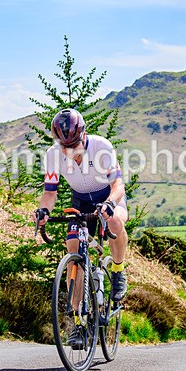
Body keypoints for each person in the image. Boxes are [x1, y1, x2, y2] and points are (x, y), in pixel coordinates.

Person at [34, 109, 129, 348]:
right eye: (63, 146)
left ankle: (118, 270)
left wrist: (109, 203)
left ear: (83, 134)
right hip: (81, 201)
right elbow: (50, 192)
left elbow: (117, 183)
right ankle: (78, 323)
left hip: (108, 196)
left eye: (73, 144)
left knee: (115, 221)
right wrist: (44, 211)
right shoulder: (53, 155)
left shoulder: (101, 146)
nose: (69, 151)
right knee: (74, 251)